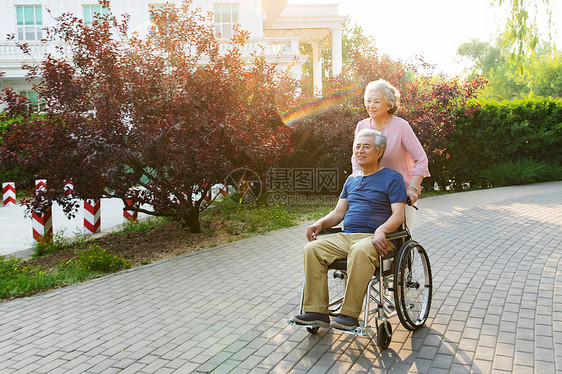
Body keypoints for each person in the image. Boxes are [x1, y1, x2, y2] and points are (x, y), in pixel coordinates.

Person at [292, 129, 407, 331]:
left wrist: (381, 230)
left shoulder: (392, 178)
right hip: (347, 237)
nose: (360, 151)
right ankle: (317, 311)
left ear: (379, 151)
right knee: (312, 249)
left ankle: (349, 315)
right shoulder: (351, 180)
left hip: (376, 238)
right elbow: (338, 213)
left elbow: (398, 215)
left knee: (360, 250)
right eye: (357, 147)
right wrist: (320, 223)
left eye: (366, 146)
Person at [351, 79, 430, 209]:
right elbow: (356, 160)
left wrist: (412, 189)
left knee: (400, 229)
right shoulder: (362, 126)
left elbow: (421, 159)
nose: (371, 105)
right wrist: (357, 186)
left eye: (377, 101)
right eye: (368, 100)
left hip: (400, 194)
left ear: (388, 105)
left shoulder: (401, 126)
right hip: (372, 193)